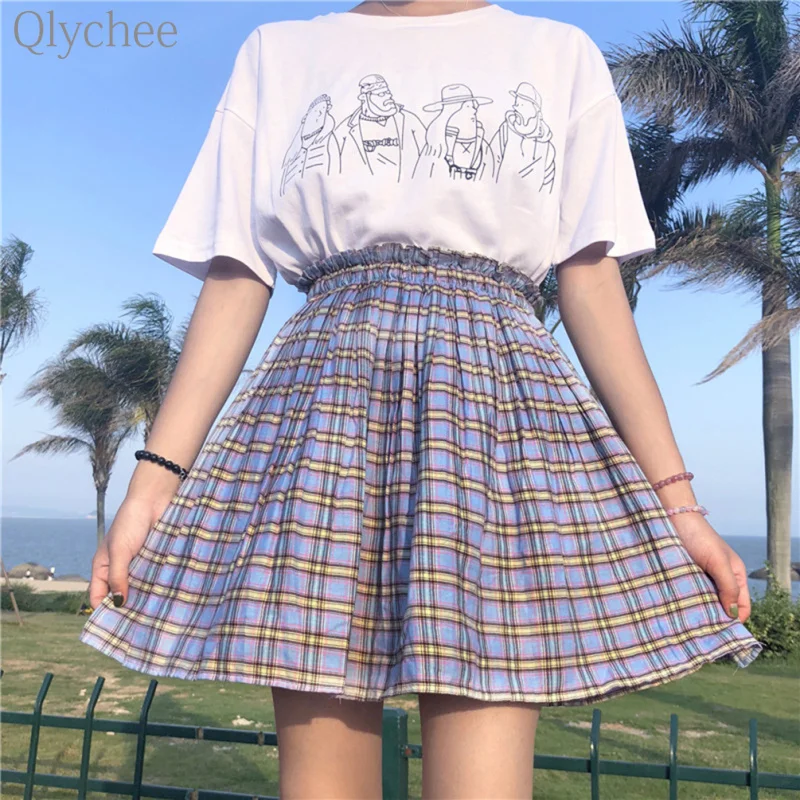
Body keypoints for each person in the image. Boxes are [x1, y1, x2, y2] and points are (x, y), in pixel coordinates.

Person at [78, 2, 764, 798]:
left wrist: (679, 503)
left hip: (493, 419)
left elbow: (590, 283)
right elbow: (237, 275)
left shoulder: (558, 53)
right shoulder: (279, 53)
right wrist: (152, 483)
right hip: (328, 412)